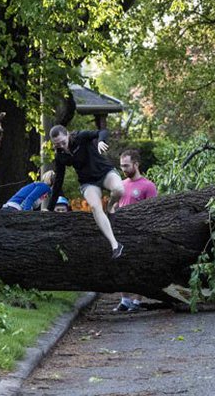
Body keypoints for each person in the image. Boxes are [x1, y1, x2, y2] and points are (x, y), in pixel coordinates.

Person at [45, 125, 125, 258]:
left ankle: (110, 207)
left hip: (105, 172)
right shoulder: (60, 156)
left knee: (119, 190)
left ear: (67, 134)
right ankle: (115, 245)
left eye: (63, 142)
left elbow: (102, 131)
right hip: (88, 182)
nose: (62, 146)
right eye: (57, 144)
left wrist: (101, 141)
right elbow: (58, 181)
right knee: (95, 206)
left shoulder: (81, 137)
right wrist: (49, 208)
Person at [113, 148, 157, 312]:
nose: (123, 169)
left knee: (140, 267)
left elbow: (153, 210)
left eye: (126, 166)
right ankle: (125, 300)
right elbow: (115, 206)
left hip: (140, 233)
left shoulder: (148, 186)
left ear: (136, 164)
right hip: (122, 233)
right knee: (121, 266)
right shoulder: (121, 185)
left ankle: (137, 301)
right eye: (121, 166)